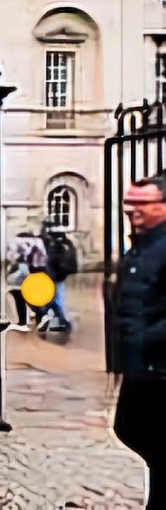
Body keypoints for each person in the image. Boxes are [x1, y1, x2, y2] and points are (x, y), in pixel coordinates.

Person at [110, 176, 166, 509]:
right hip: (140, 368)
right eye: (129, 203)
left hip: (159, 369)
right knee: (130, 428)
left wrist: (143, 340)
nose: (133, 210)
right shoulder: (142, 246)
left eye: (141, 203)